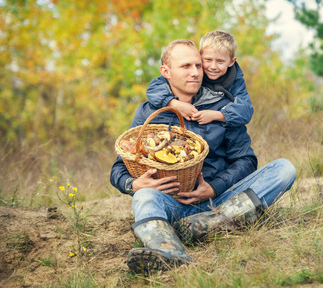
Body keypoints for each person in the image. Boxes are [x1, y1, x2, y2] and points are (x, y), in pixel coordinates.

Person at [110, 39, 297, 273]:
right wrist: (134, 183)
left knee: (284, 169)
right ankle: (168, 251)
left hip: (219, 201)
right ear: (165, 72)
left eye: (198, 66)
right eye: (186, 66)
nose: (196, 72)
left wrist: (214, 188)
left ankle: (212, 223)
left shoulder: (222, 110)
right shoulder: (149, 112)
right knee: (143, 196)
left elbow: (247, 161)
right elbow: (119, 168)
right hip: (173, 203)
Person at [145, 30, 253, 127]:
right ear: (200, 56)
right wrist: (174, 104)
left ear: (231, 62)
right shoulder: (195, 71)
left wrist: (217, 115)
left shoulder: (235, 80)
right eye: (208, 60)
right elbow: (154, 89)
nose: (213, 66)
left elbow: (246, 110)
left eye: (220, 61)